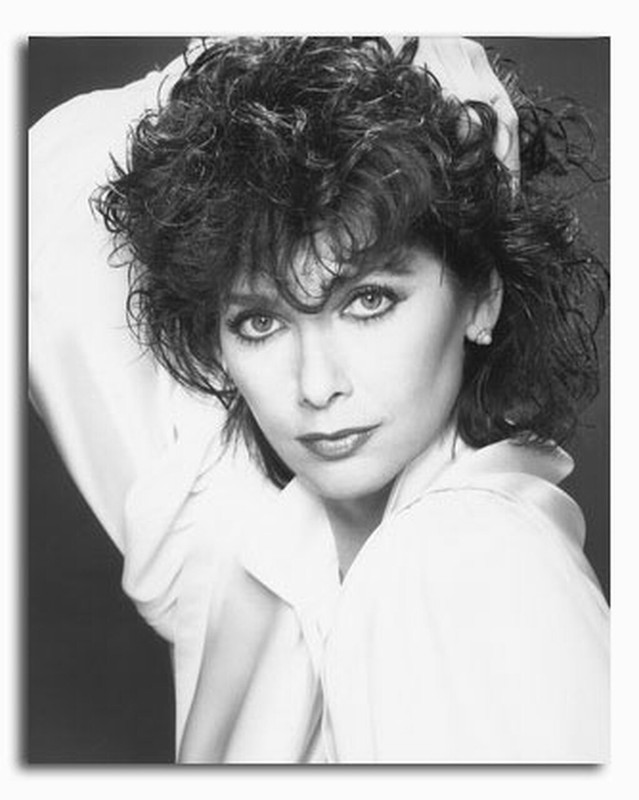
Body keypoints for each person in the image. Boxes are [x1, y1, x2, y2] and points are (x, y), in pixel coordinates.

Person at [29, 36, 609, 763]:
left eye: (368, 301)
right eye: (260, 322)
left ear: (480, 298)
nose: (314, 385)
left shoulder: (462, 559)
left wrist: (390, 74)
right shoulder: (260, 555)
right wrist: (272, 82)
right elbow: (39, 194)